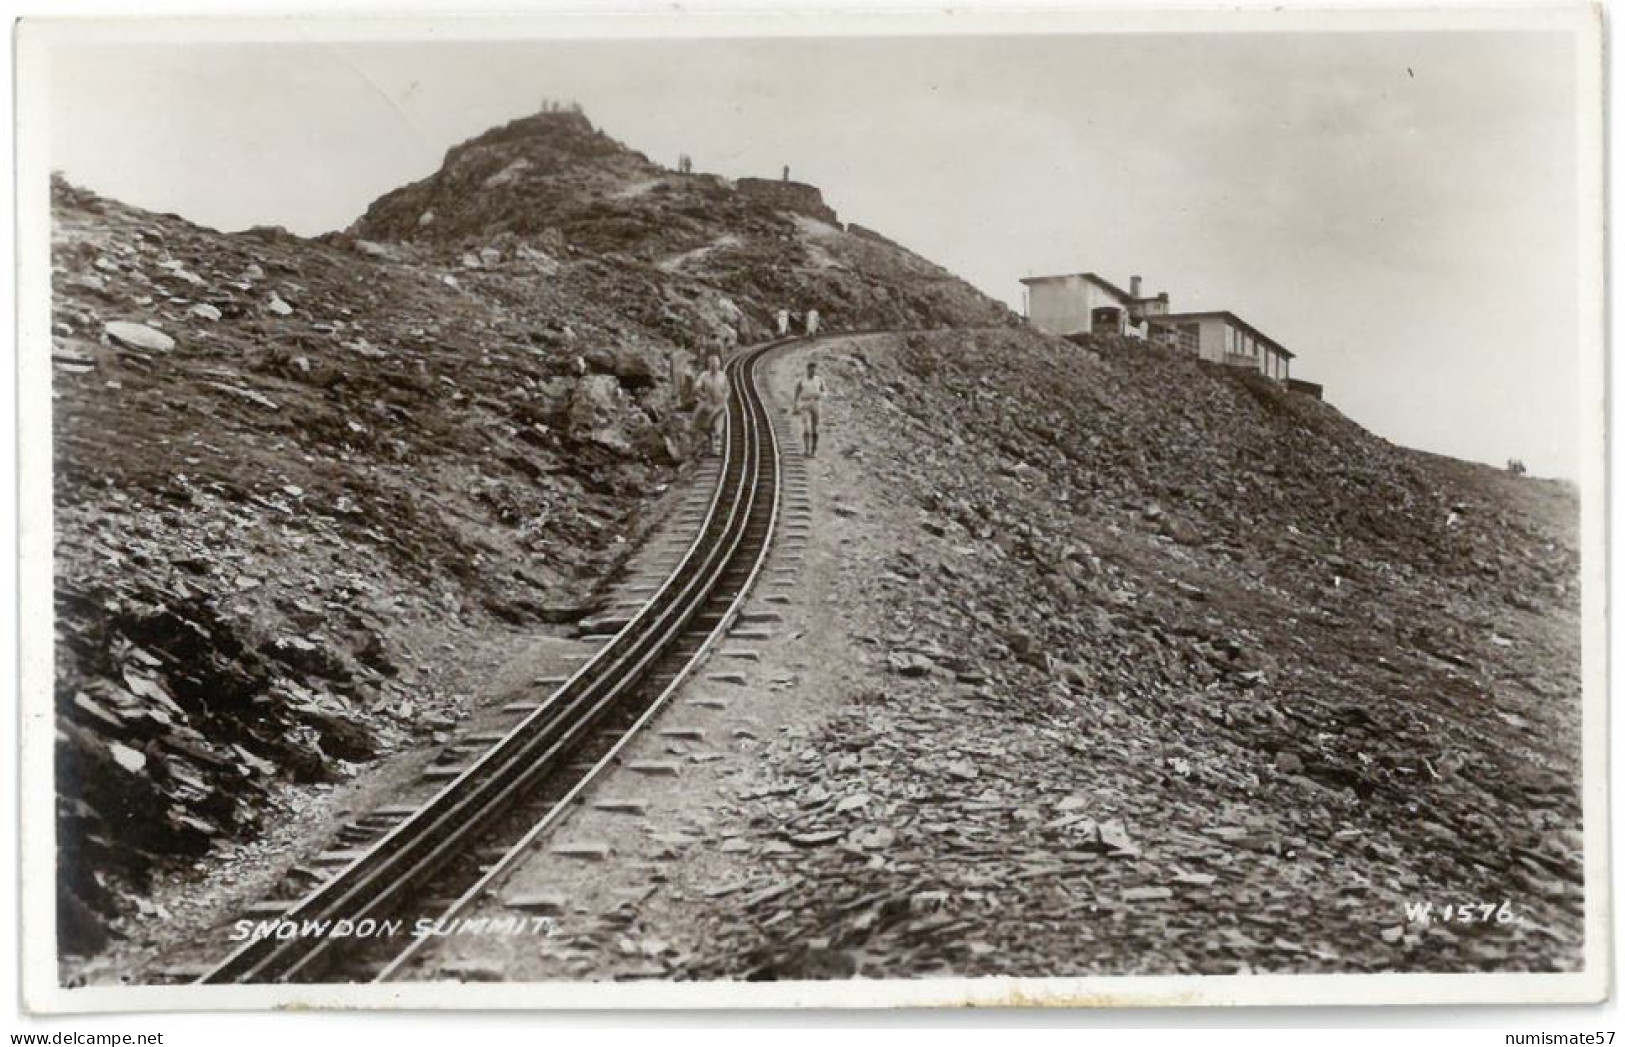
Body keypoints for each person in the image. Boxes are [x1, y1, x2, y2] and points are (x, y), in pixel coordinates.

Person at [695, 353, 730, 456]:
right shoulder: (704, 375)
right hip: (708, 406)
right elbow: (696, 387)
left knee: (718, 428)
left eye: (716, 365)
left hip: (720, 406)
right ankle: (711, 448)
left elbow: (727, 389)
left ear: (718, 366)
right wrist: (702, 395)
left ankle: (717, 450)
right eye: (712, 365)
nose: (714, 367)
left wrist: (725, 398)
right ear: (709, 366)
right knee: (708, 428)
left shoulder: (722, 376)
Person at [792, 359, 828, 456]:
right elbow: (796, 393)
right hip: (805, 404)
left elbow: (825, 392)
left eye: (814, 370)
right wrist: (795, 405)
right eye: (811, 370)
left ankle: (814, 450)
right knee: (806, 428)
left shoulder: (819, 380)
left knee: (815, 428)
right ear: (807, 370)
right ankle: (806, 450)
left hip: (816, 403)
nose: (813, 372)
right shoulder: (802, 381)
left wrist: (821, 395)